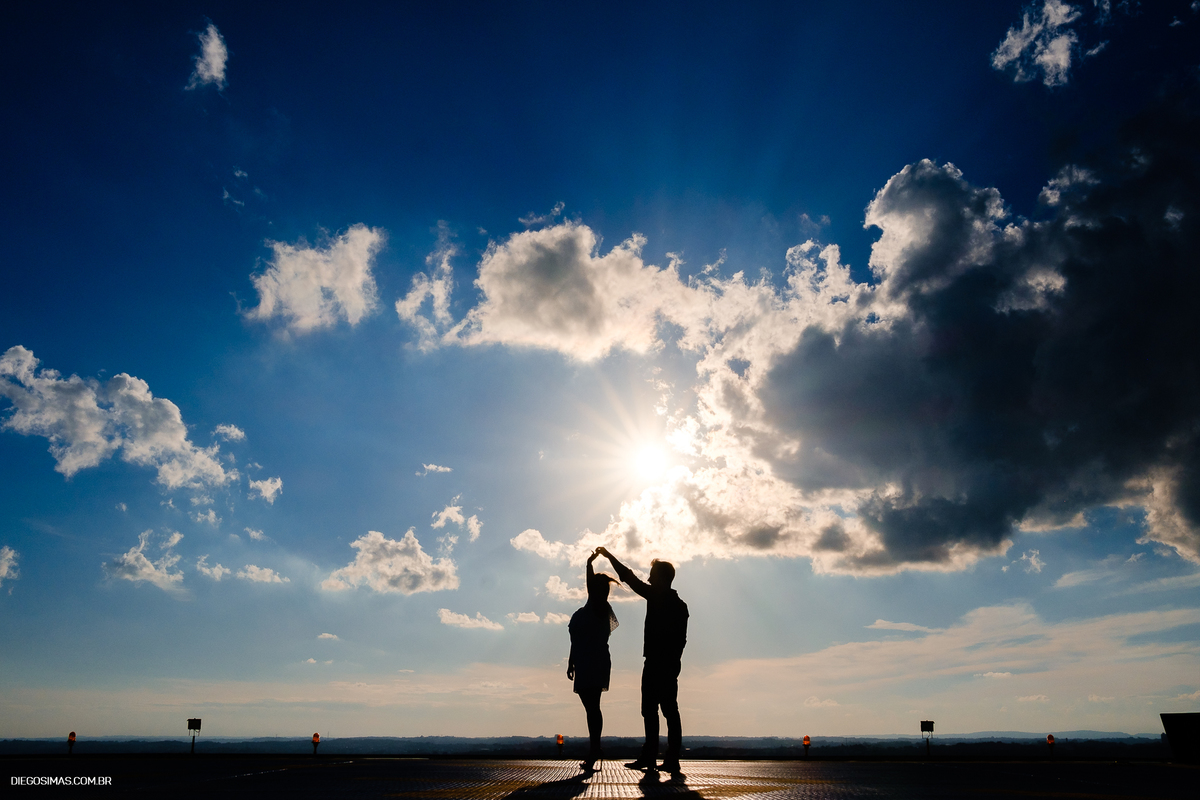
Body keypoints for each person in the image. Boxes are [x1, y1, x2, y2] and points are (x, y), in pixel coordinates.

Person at [594, 546, 688, 773]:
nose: (648, 578)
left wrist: (608, 556)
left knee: (655, 710)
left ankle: (655, 756)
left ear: (662, 578)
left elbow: (629, 578)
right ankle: (669, 758)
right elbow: (681, 642)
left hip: (658, 662)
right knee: (666, 710)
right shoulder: (680, 606)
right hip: (668, 663)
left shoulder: (658, 597)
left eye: (653, 575)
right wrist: (673, 664)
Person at [567, 550, 619, 771]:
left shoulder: (598, 609)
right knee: (591, 707)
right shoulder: (595, 609)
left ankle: (594, 749)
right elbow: (575, 642)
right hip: (587, 660)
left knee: (592, 707)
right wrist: (571, 662)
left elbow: (590, 585)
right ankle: (595, 747)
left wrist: (589, 563)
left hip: (593, 661)